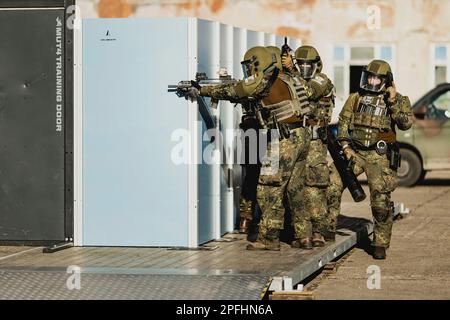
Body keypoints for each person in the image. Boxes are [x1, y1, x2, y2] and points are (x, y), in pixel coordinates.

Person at [328, 60, 413, 259]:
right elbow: (343, 124)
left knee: (380, 200)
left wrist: (392, 101)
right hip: (355, 152)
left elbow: (406, 124)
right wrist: (346, 147)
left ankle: (380, 242)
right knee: (331, 183)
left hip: (380, 156)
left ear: (387, 80)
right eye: (370, 77)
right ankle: (327, 229)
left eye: (377, 78)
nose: (372, 81)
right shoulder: (355, 98)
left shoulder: (399, 99)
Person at [281, 45, 335, 248]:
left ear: (316, 65)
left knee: (315, 187)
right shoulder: (296, 77)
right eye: (300, 64)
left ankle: (319, 232)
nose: (303, 67)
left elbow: (307, 91)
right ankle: (303, 234)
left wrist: (291, 70)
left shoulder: (322, 80)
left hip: (315, 141)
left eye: (307, 64)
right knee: (296, 187)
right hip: (298, 138)